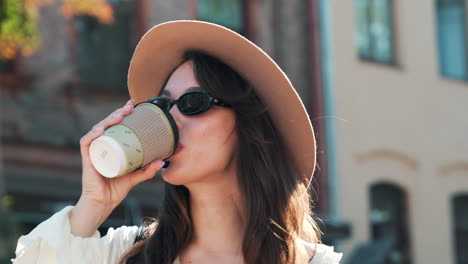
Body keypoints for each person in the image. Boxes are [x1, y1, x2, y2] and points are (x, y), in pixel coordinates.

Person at [11, 20, 342, 264]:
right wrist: (93, 203)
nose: (169, 120)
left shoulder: (315, 263)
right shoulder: (123, 254)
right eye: (163, 105)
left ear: (249, 125)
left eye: (192, 103)